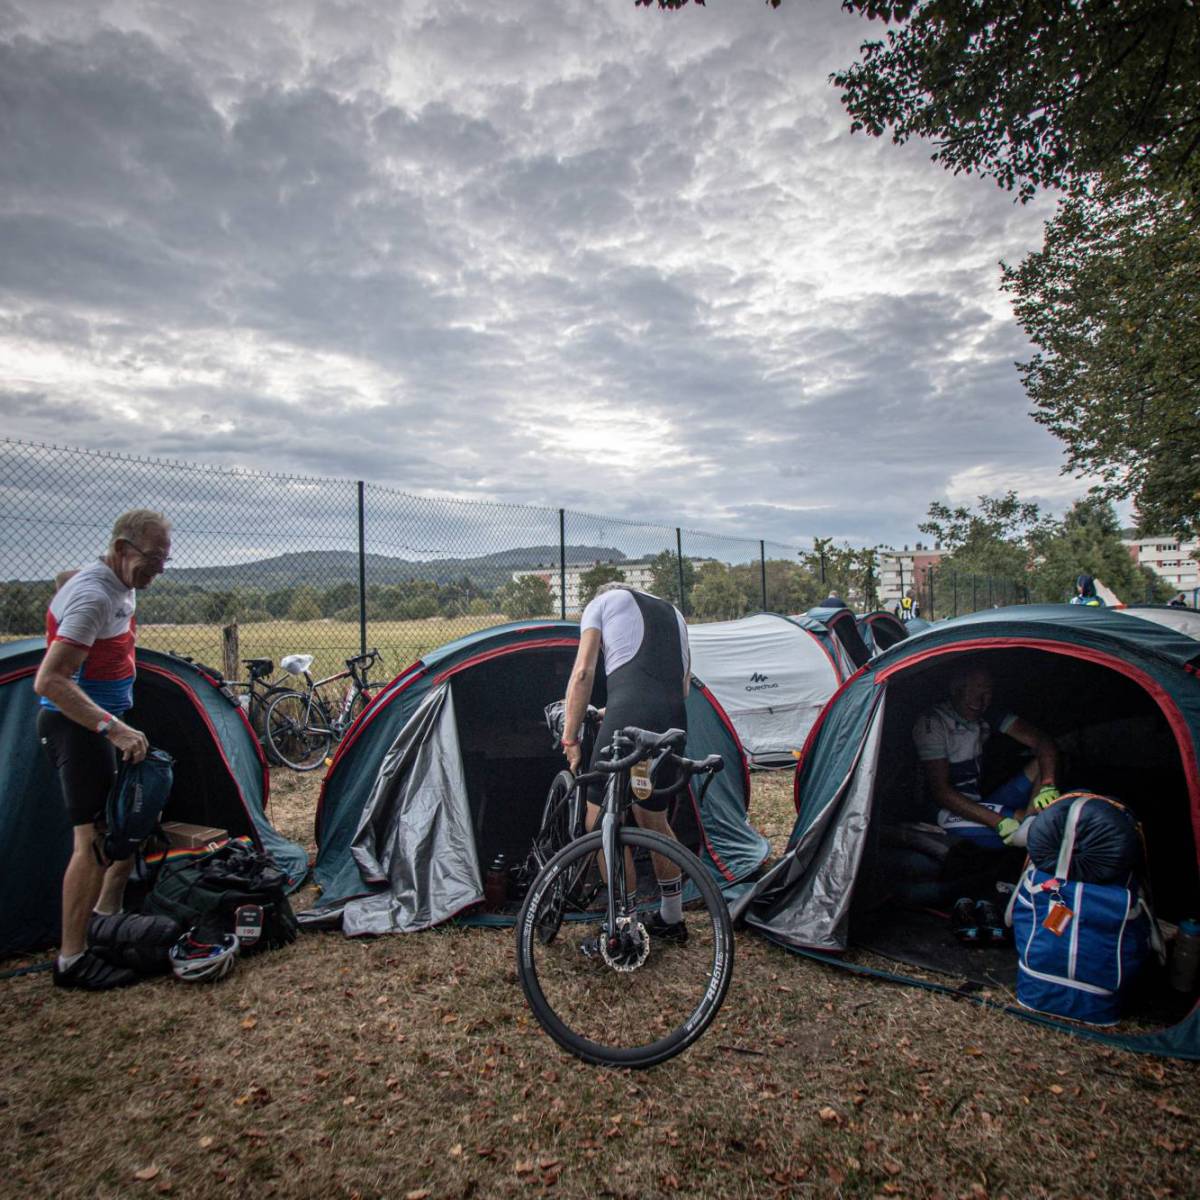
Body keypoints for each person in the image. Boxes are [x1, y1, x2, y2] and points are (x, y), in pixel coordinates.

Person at [34, 509, 172, 990]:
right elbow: (48, 680)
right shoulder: (95, 595)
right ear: (121, 548)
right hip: (80, 727)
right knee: (91, 842)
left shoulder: (108, 582)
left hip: (102, 722)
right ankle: (72, 961)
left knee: (126, 822)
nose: (159, 568)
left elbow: (65, 578)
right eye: (153, 558)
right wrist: (112, 729)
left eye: (165, 558)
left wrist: (66, 591)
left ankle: (107, 915)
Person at [560, 582, 691, 943]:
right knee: (653, 818)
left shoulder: (600, 603)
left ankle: (624, 925)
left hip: (629, 720)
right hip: (671, 720)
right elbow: (682, 686)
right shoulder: (673, 612)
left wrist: (570, 738)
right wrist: (614, 709)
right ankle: (671, 916)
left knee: (601, 819)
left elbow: (583, 673)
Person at [913, 663, 1060, 850]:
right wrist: (999, 822)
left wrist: (1048, 783)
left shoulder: (988, 713)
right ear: (956, 690)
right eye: (972, 690)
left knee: (1045, 764)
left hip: (978, 802)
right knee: (1033, 827)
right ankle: (1030, 830)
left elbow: (1043, 741)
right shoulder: (933, 722)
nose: (979, 700)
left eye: (986, 692)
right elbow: (941, 792)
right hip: (944, 810)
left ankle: (1032, 825)